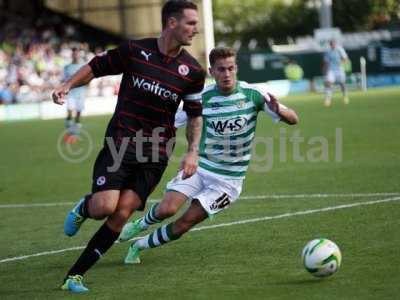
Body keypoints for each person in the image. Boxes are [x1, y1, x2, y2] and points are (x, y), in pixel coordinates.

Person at [52, 0, 205, 293]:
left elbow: (195, 114)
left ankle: (75, 275)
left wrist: (193, 150)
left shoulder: (194, 71)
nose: (195, 30)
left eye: (196, 24)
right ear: (171, 23)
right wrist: (67, 85)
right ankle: (86, 206)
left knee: (122, 213)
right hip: (121, 143)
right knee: (104, 207)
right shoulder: (135, 51)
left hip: (157, 153)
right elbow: (95, 67)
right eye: (190, 23)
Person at [118, 47, 299, 265]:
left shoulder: (254, 95)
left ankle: (139, 245)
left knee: (185, 223)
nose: (227, 74)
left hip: (228, 182)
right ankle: (142, 223)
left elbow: (293, 119)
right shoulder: (202, 98)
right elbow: (169, 122)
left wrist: (279, 110)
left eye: (231, 68)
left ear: (236, 68)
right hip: (201, 167)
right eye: (221, 70)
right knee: (167, 209)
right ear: (212, 72)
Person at [63, 47, 87, 144]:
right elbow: (65, 81)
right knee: (69, 113)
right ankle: (70, 133)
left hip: (80, 94)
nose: (75, 55)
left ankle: (75, 134)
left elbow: (87, 78)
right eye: (74, 53)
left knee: (78, 115)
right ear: (72, 55)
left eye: (77, 53)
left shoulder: (83, 66)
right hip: (71, 94)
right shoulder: (67, 67)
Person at [322, 40, 350, 106]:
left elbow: (345, 58)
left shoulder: (340, 50)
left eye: (333, 43)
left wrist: (341, 62)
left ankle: (345, 96)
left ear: (336, 44)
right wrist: (324, 70)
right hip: (331, 70)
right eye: (331, 44)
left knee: (342, 84)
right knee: (328, 83)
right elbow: (326, 62)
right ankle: (328, 99)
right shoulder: (328, 52)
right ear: (330, 44)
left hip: (339, 69)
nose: (332, 45)